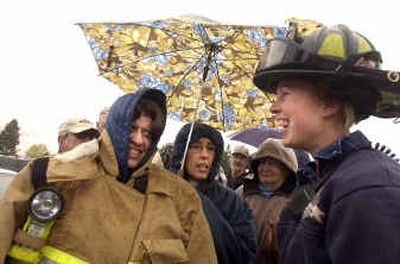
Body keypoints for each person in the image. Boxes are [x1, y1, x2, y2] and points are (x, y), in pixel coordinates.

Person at [0, 89, 217, 263]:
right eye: (132, 129)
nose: (139, 140)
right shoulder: (51, 174)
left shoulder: (182, 200)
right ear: (115, 127)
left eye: (148, 133)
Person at [253, 23, 400, 264]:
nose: (274, 107)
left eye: (285, 94)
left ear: (329, 102)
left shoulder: (369, 189)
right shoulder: (324, 180)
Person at [170, 122, 257, 264]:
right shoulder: (161, 192)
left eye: (210, 149)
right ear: (182, 151)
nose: (204, 155)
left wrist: (192, 197)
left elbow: (243, 254)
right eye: (196, 146)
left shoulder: (234, 203)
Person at [237, 138, 298, 264]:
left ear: (286, 169)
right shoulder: (241, 194)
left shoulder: (296, 201)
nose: (265, 168)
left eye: (272, 163)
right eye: (262, 162)